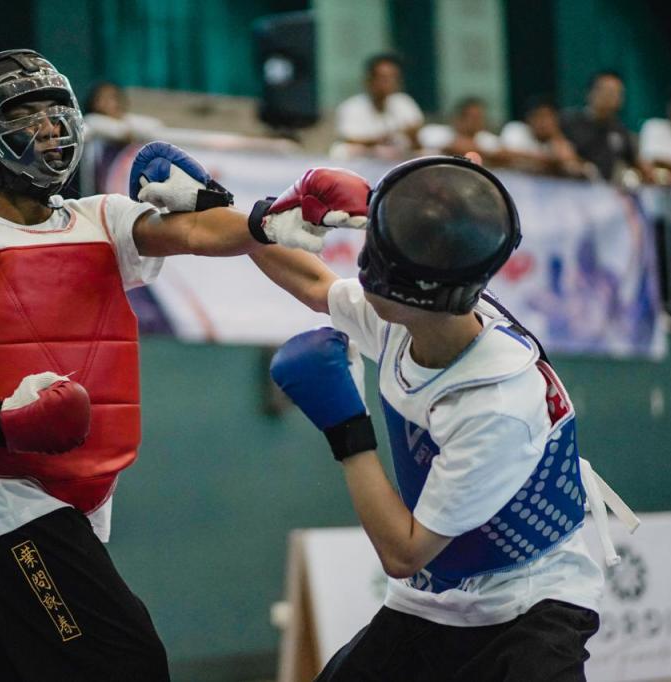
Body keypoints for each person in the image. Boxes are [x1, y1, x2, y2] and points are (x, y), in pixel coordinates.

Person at [0, 49, 360, 681]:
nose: (51, 127)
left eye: (57, 110)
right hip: (2, 501)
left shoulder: (99, 218)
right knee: (124, 659)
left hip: (84, 495)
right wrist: (2, 422)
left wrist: (273, 216)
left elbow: (192, 232)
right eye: (27, 113)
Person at [242, 156, 637, 681]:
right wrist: (252, 218)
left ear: (398, 291)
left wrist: (346, 429)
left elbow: (404, 552)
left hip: (527, 608)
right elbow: (312, 283)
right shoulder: (416, 319)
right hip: (433, 601)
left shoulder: (493, 405)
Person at [561, 71, 652, 182]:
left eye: (617, 93)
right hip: (568, 188)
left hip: (603, 192)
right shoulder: (568, 121)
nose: (611, 97)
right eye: (606, 91)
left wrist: (649, 172)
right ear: (590, 93)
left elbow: (635, 162)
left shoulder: (619, 130)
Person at [332, 53, 425, 159]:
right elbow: (349, 140)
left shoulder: (404, 103)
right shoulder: (351, 107)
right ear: (369, 80)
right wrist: (380, 140)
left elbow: (417, 143)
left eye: (393, 78)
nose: (388, 83)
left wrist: (413, 136)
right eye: (383, 78)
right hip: (365, 164)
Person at [500, 96, 588, 177]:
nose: (543, 123)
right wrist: (549, 161)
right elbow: (503, 154)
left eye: (549, 117)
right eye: (539, 116)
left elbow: (571, 164)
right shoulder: (516, 129)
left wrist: (556, 136)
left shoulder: (556, 141)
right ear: (529, 118)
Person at [418, 97, 503, 161]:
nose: (478, 122)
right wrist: (489, 154)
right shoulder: (436, 132)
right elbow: (457, 148)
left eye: (480, 117)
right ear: (459, 118)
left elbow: (505, 154)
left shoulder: (487, 138)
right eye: (473, 118)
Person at [82, 80, 163, 143]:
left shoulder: (128, 119)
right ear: (93, 103)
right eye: (101, 98)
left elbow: (156, 126)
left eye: (112, 97)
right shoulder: (91, 121)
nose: (108, 102)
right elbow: (124, 134)